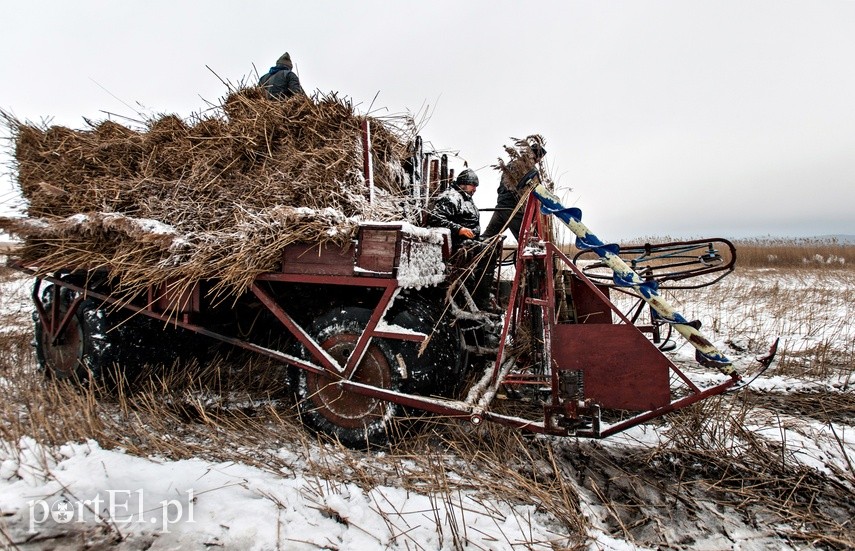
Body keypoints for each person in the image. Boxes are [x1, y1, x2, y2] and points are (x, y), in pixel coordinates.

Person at [428, 169, 497, 311]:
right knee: (488, 252)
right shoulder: (451, 197)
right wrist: (459, 229)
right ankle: (480, 300)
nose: (475, 189)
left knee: (491, 244)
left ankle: (481, 293)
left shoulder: (464, 198)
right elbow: (435, 218)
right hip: (457, 245)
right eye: (473, 185)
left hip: (468, 241)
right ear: (464, 184)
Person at [481, 139, 547, 241]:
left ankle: (473, 252)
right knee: (527, 242)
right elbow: (532, 189)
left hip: (501, 207)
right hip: (513, 209)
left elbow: (503, 187)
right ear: (536, 157)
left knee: (487, 237)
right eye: (537, 159)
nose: (537, 161)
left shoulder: (512, 165)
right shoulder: (529, 169)